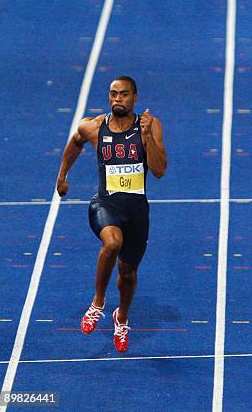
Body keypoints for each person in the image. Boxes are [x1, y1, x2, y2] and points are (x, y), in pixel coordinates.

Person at [56, 76, 167, 352]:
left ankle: (122, 317)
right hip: (105, 204)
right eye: (113, 94)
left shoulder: (150, 125)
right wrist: (62, 176)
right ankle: (98, 302)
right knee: (112, 243)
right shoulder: (95, 127)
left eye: (124, 94)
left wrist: (146, 137)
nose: (118, 99)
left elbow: (160, 169)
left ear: (135, 98)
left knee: (127, 273)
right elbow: (75, 141)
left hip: (137, 210)